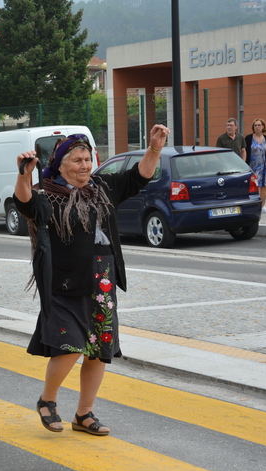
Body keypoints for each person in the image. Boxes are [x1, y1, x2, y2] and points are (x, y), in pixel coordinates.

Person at [13, 125, 169, 437]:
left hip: (104, 276)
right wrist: (23, 174)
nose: (85, 165)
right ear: (60, 165)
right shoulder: (48, 196)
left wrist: (153, 149)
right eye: (77, 160)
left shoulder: (103, 186)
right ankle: (47, 400)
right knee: (71, 344)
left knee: (100, 347)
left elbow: (140, 176)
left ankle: (83, 413)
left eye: (88, 159)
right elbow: (24, 203)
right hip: (66, 281)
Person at [244, 119, 266, 214]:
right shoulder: (248, 138)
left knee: (264, 186)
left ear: (263, 127)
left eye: (259, 125)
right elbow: (246, 152)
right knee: (254, 186)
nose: (257, 127)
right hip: (252, 166)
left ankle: (263, 205)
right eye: (255, 125)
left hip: (263, 166)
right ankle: (253, 205)